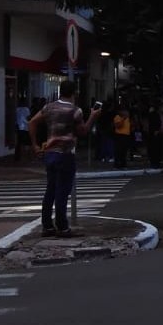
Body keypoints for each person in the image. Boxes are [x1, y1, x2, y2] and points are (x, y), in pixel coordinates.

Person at [27, 81, 102, 237]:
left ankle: (47, 226)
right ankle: (62, 227)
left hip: (50, 153)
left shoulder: (49, 107)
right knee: (62, 191)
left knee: (50, 190)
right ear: (74, 92)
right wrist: (93, 116)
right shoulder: (75, 111)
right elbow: (83, 131)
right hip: (65, 153)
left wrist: (34, 145)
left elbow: (32, 122)